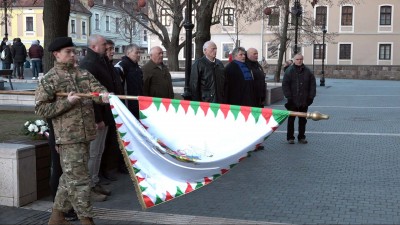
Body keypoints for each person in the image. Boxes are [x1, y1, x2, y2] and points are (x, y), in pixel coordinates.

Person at [35, 36, 109, 225]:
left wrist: (104, 96)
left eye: (73, 51)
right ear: (56, 55)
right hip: (67, 138)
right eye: (68, 52)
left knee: (70, 177)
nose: (72, 55)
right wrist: (66, 103)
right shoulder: (50, 79)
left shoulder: (82, 74)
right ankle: (86, 220)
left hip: (85, 135)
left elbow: (97, 91)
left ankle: (57, 217)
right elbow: (41, 109)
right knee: (80, 181)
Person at [80, 34, 119, 201]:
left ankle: (94, 181)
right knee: (94, 152)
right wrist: (97, 119)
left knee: (99, 151)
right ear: (94, 46)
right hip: (98, 116)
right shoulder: (89, 64)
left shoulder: (101, 61)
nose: (107, 47)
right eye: (104, 45)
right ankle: (89, 186)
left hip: (106, 113)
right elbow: (90, 94)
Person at [282, 54, 316, 144]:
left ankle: (301, 137)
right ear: (294, 60)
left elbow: (312, 85)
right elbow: (285, 85)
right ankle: (290, 137)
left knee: (302, 120)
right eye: (297, 59)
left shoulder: (308, 71)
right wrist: (289, 97)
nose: (299, 61)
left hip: (304, 100)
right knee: (291, 120)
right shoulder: (289, 71)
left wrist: (311, 97)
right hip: (292, 100)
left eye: (301, 59)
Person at [115, 44, 143, 118]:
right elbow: (116, 86)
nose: (139, 55)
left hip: (138, 103)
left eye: (140, 52)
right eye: (136, 53)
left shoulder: (138, 67)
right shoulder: (121, 66)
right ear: (128, 53)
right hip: (127, 104)